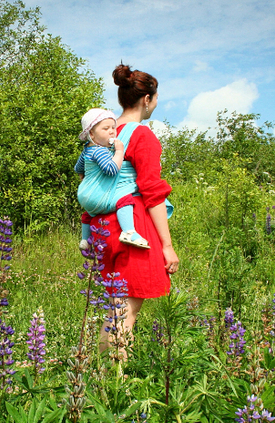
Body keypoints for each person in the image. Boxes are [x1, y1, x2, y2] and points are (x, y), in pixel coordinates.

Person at [97, 63, 180, 351]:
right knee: (126, 310)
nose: (155, 103)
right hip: (132, 227)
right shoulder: (142, 135)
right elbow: (152, 192)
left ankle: (99, 371)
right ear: (146, 99)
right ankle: (112, 375)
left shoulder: (103, 133)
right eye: (155, 99)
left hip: (102, 225)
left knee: (115, 307)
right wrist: (167, 245)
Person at [75, 108, 150, 250]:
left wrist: (82, 176)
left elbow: (78, 167)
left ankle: (85, 240)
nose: (111, 132)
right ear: (92, 134)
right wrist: (119, 151)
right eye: (105, 128)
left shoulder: (87, 150)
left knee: (89, 212)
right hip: (97, 195)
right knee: (124, 199)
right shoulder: (100, 151)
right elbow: (111, 170)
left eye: (113, 128)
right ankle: (128, 232)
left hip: (85, 194)